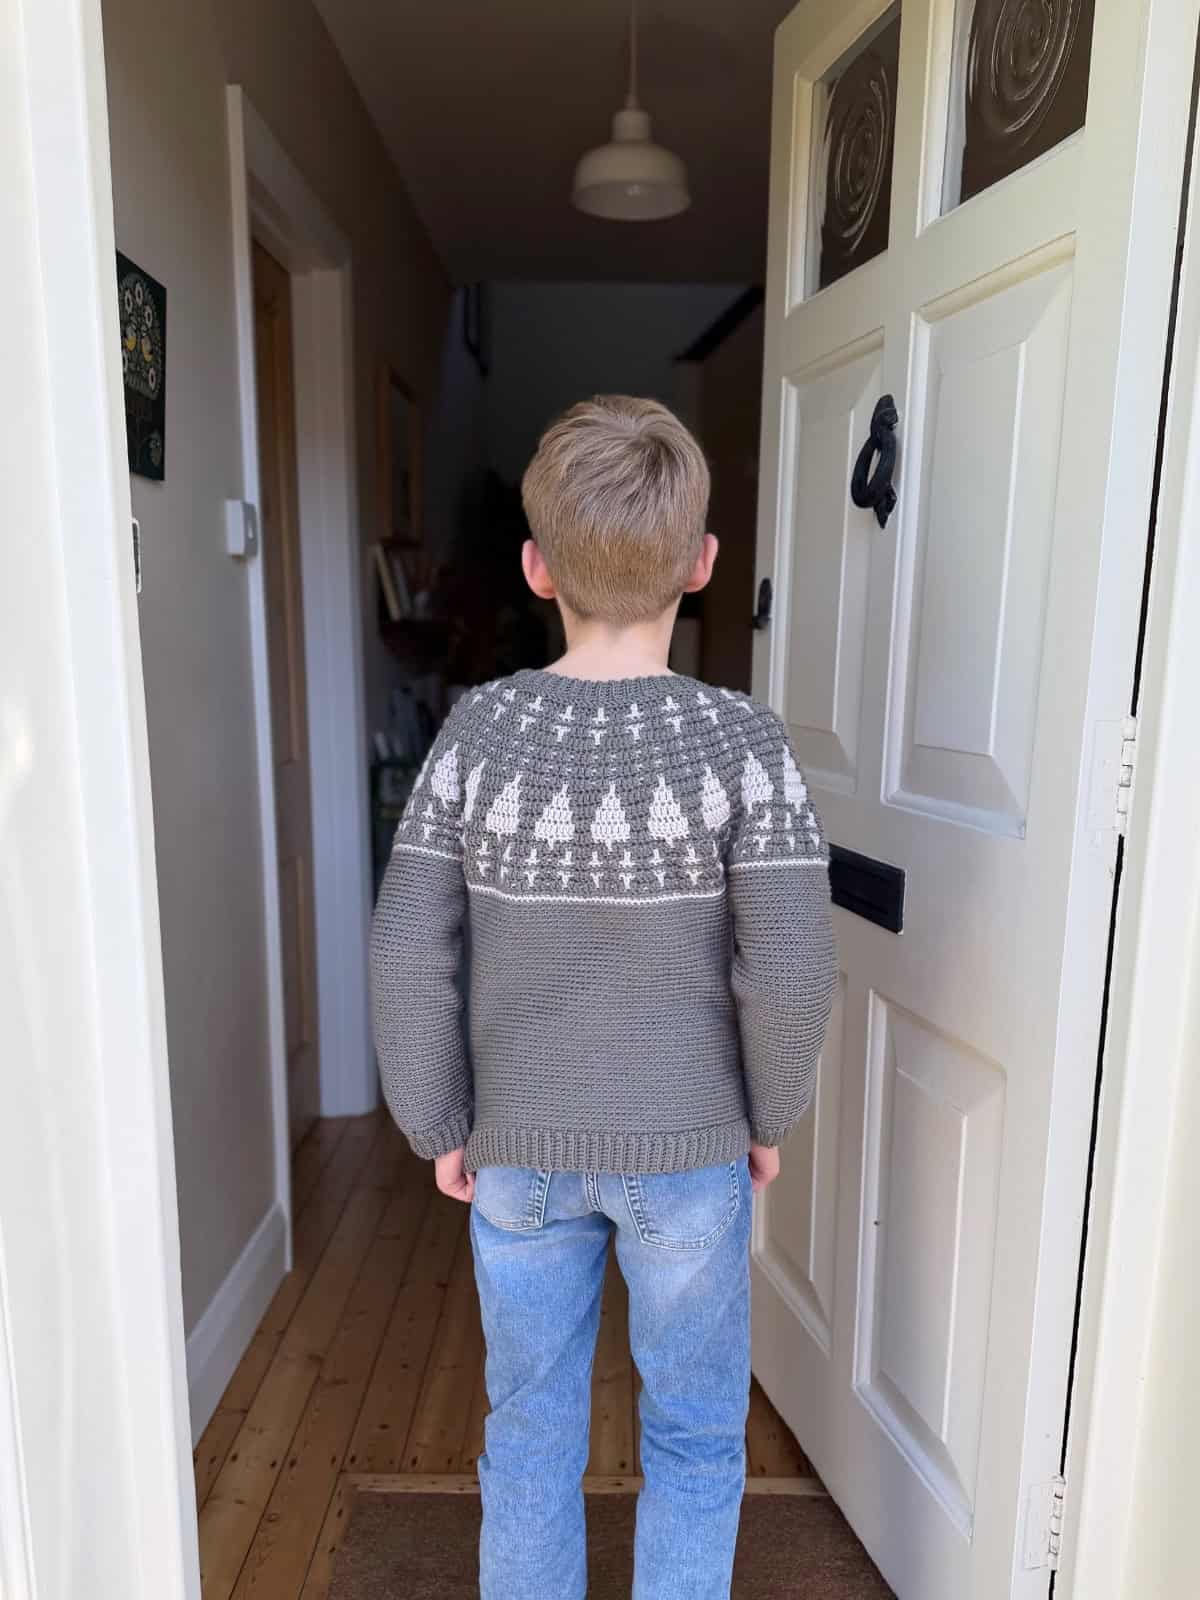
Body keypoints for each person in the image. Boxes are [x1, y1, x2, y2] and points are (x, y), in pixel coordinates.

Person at [370, 395, 837, 1600]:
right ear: (703, 563)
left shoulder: (476, 733)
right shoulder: (745, 742)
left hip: (517, 1151)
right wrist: (769, 1115)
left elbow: (409, 941)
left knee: (526, 1440)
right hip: (690, 1152)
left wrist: (438, 1121)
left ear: (534, 568)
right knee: (693, 1438)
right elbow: (786, 959)